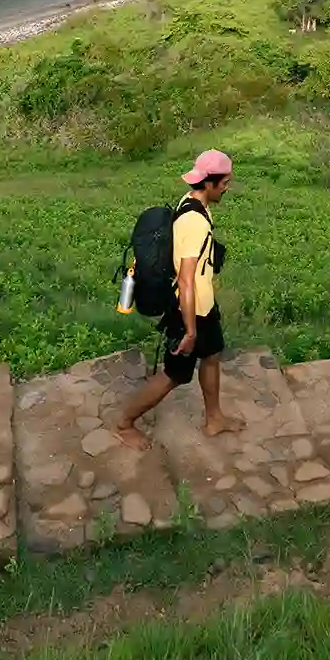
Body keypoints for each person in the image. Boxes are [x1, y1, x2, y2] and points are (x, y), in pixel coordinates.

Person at [114, 150, 245, 448]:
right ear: (209, 183)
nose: (227, 188)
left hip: (203, 305)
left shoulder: (191, 201)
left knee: (211, 355)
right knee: (174, 375)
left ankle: (215, 419)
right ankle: (123, 424)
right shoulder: (195, 221)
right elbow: (186, 280)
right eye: (225, 183)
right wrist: (189, 331)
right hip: (188, 310)